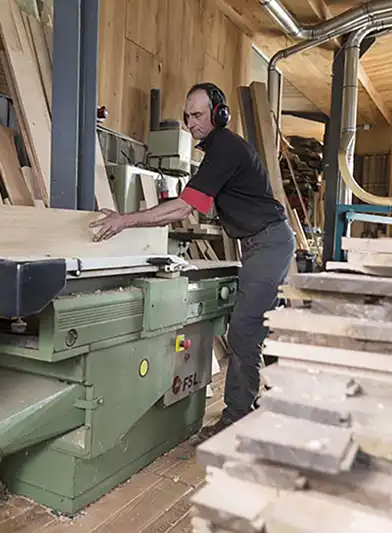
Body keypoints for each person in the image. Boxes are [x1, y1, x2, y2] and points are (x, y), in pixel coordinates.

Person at [90, 82, 296, 439]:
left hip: (268, 243)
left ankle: (236, 421)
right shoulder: (218, 150)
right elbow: (196, 202)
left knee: (244, 333)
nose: (190, 123)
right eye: (187, 116)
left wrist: (124, 220)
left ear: (219, 114)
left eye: (198, 115)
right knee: (263, 325)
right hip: (263, 243)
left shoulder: (225, 148)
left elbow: (184, 208)